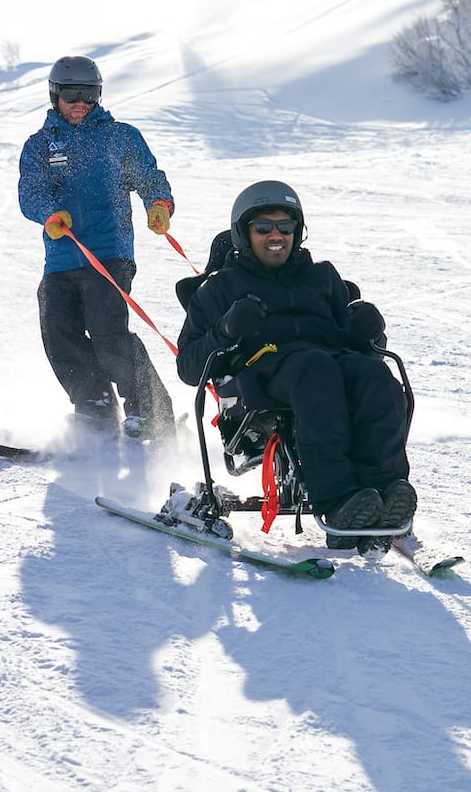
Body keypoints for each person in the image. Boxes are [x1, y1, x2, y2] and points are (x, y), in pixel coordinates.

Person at [175, 180, 417, 551]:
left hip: (327, 364)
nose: (277, 235)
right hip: (261, 374)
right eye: (264, 227)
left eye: (285, 227)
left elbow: (355, 344)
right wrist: (225, 329)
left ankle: (382, 493)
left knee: (374, 375)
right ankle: (338, 501)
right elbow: (190, 366)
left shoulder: (322, 277)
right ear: (243, 233)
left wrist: (368, 333)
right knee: (315, 368)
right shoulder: (221, 287)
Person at [18, 55, 177, 441]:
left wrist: (158, 205)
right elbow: (31, 192)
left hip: (109, 253)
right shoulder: (40, 145)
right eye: (71, 94)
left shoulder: (119, 136)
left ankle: (151, 411)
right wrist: (49, 213)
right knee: (59, 332)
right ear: (55, 95)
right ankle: (95, 407)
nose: (80, 103)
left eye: (88, 95)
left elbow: (149, 177)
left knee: (108, 332)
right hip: (61, 257)